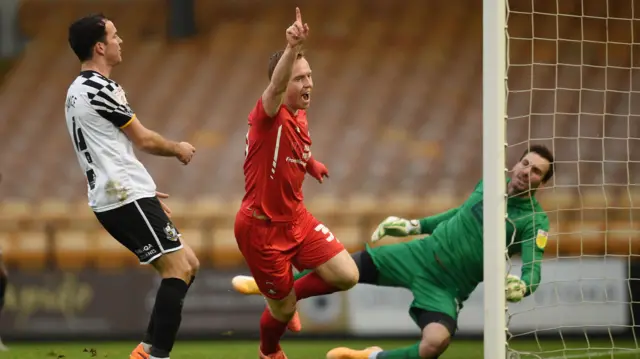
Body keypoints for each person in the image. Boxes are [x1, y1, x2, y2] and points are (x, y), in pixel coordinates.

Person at [232, 145, 555, 359]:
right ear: (516, 163)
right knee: (346, 269)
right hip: (420, 255)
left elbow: (533, 266)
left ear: (542, 183)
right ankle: (273, 284)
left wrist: (525, 285)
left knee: (435, 344)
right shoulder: (488, 184)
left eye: (536, 171)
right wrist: (412, 226)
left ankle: (368, 356)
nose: (527, 171)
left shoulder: (534, 220)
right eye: (525, 163)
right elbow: (455, 215)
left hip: (448, 286)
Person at [65, 14, 199, 359]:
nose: (119, 40)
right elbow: (143, 139)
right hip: (122, 194)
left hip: (119, 193)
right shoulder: (100, 87)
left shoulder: (75, 91)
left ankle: (146, 350)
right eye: (114, 35)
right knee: (179, 269)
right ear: (99, 46)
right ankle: (156, 355)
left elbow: (105, 148)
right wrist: (178, 148)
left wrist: (141, 189)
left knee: (188, 263)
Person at [234, 7, 360, 359]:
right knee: (283, 312)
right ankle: (268, 351)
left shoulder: (300, 115)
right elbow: (274, 88)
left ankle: (283, 290)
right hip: (262, 229)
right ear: (282, 83)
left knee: (347, 275)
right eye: (299, 78)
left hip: (296, 219)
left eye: (309, 76)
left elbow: (296, 149)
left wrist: (311, 164)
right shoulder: (266, 116)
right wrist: (291, 47)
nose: (308, 84)